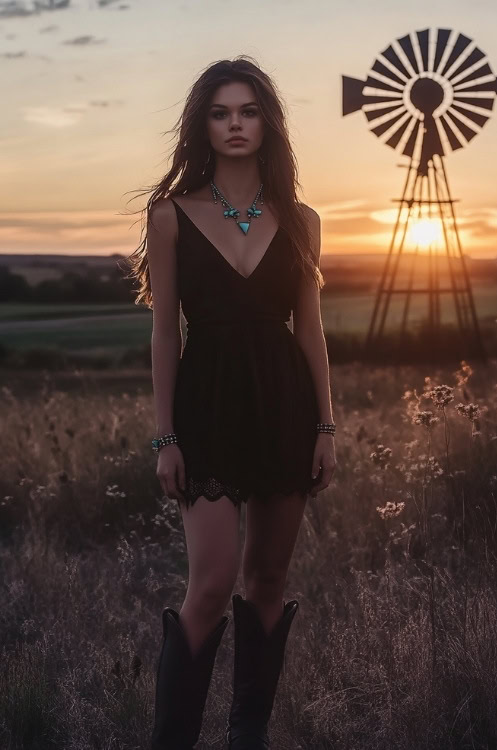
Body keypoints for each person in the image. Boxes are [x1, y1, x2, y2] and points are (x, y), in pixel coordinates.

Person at [125, 55, 337, 750]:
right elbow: (164, 332)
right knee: (212, 583)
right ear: (202, 126)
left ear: (267, 123)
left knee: (268, 578)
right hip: (207, 402)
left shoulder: (302, 219)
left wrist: (325, 424)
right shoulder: (171, 216)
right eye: (221, 113)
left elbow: (310, 330)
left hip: (283, 401)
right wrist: (166, 437)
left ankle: (249, 733)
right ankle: (172, 740)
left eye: (247, 111)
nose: (235, 124)